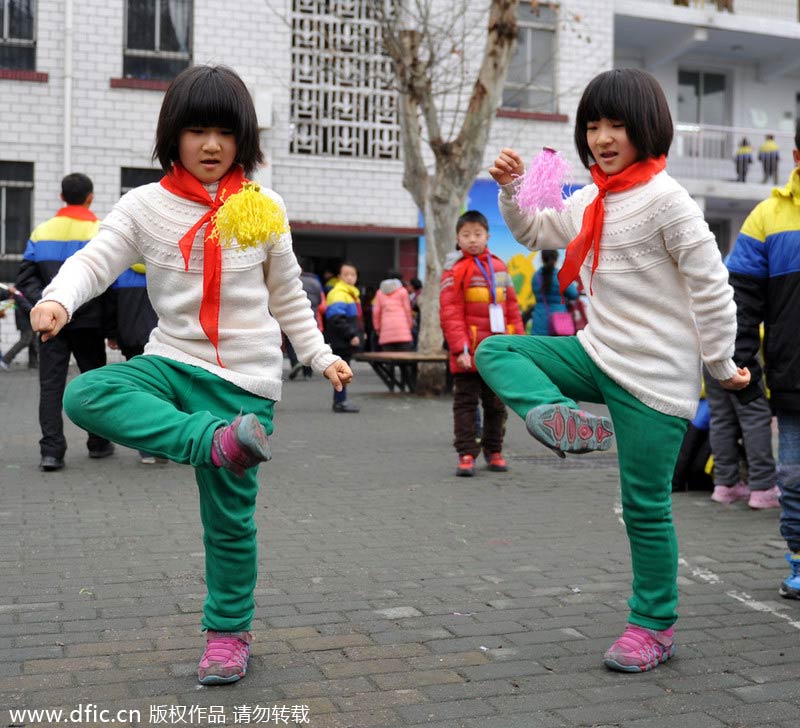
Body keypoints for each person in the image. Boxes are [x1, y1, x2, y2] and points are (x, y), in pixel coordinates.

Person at [29, 64, 353, 685]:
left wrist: (320, 356)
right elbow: (93, 261)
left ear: (243, 140)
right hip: (172, 366)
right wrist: (59, 301)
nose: (210, 146)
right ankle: (213, 444)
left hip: (245, 385)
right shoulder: (145, 206)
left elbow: (287, 297)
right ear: (172, 135)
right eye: (196, 131)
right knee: (89, 391)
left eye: (225, 133)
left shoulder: (264, 208)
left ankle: (228, 634)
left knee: (229, 524)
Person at [481, 68, 749, 673]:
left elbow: (711, 288)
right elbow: (533, 232)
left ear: (646, 128)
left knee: (644, 507)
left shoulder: (669, 201)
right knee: (497, 350)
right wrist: (513, 189)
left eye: (616, 125)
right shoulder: (589, 197)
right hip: (595, 354)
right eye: (593, 126)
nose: (602, 137)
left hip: (653, 381)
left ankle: (653, 626)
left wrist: (721, 362)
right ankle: (557, 418)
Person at [726, 119, 800, 600]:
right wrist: (737, 361)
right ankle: (799, 559)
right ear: (797, 157)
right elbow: (741, 299)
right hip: (795, 380)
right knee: (792, 477)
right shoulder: (766, 217)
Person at [16, 173, 115, 472]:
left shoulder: (42, 232)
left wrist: (48, 302)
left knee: (50, 387)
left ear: (61, 196)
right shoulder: (101, 231)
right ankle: (98, 444)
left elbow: (24, 278)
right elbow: (111, 285)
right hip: (90, 324)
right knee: (94, 385)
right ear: (90, 197)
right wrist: (111, 327)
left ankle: (51, 452)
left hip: (50, 325)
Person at [439, 210, 524, 477]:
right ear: (457, 238)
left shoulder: (500, 268)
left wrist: (519, 347)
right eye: (466, 235)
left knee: (497, 405)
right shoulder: (454, 270)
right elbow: (450, 315)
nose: (472, 240)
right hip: (467, 355)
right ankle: (466, 453)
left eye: (477, 234)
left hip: (497, 354)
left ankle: (494, 451)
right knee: (465, 405)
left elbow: (512, 309)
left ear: (487, 236)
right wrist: (460, 350)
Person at [107, 263, 163, 464]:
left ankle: (146, 449)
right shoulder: (162, 270)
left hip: (130, 339)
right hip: (161, 342)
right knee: (162, 390)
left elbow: (111, 307)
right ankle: (166, 443)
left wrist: (112, 335)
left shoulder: (121, 272)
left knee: (139, 392)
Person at [705, 365, 779, 509]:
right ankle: (763, 487)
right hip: (741, 358)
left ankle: (725, 484)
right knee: (754, 416)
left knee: (721, 418)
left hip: (710, 359)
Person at [324, 261, 362, 413]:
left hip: (343, 339)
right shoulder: (339, 293)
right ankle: (340, 402)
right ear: (339, 276)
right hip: (340, 340)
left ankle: (341, 400)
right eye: (346, 274)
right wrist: (352, 335)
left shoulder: (351, 294)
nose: (350, 277)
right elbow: (336, 319)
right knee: (342, 371)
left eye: (353, 274)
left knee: (343, 371)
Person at [287, 260, 323, 380]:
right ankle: (308, 373)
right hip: (310, 316)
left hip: (291, 317)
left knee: (291, 343)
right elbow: (320, 302)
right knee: (308, 343)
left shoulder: (290, 281)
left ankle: (295, 362)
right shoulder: (315, 282)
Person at [530, 250, 579, 336]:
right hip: (559, 322)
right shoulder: (561, 276)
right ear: (556, 260)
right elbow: (574, 294)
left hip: (539, 321)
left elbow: (535, 292)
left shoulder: (536, 276)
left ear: (542, 259)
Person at [373, 271, 414, 352]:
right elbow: (407, 310)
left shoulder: (379, 292)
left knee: (388, 361)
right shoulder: (403, 291)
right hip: (403, 331)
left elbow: (376, 312)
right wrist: (409, 325)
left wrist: (377, 328)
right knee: (404, 361)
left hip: (386, 331)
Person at [0, 283, 37, 370]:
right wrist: (34, 311)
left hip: (29, 319)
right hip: (25, 320)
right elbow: (24, 304)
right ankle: (5, 359)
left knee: (33, 342)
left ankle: (34, 365)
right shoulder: (22, 288)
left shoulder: (28, 287)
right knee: (25, 340)